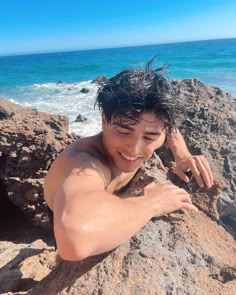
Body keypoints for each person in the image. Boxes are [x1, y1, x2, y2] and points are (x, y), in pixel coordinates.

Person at [43, 59, 213, 261]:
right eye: (123, 131)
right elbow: (74, 243)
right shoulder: (86, 163)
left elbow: (167, 128)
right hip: (64, 205)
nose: (134, 149)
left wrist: (182, 155)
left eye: (149, 137)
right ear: (104, 120)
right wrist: (152, 203)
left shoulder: (154, 129)